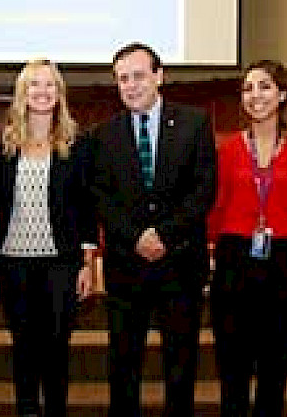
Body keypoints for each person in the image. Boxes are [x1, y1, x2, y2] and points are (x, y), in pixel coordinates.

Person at [87, 42, 216, 416]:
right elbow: (100, 196)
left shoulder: (194, 123)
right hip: (127, 267)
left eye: (139, 76)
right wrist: (136, 237)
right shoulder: (103, 134)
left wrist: (164, 235)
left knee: (181, 365)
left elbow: (203, 189)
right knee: (123, 366)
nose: (131, 86)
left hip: (180, 264)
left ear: (159, 76)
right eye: (123, 79)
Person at [208, 60, 287, 416]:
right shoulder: (227, 149)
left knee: (274, 373)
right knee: (233, 373)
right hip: (234, 261)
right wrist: (210, 249)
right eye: (248, 88)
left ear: (282, 94)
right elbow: (216, 206)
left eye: (264, 86)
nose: (255, 95)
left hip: (283, 264)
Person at [0, 59, 96, 417]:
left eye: (50, 84)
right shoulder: (3, 143)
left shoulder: (78, 143)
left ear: (59, 93)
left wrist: (87, 263)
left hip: (61, 262)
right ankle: (26, 410)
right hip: (12, 262)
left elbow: (86, 207)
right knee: (23, 345)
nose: (42, 91)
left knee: (56, 346)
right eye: (34, 84)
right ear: (22, 93)